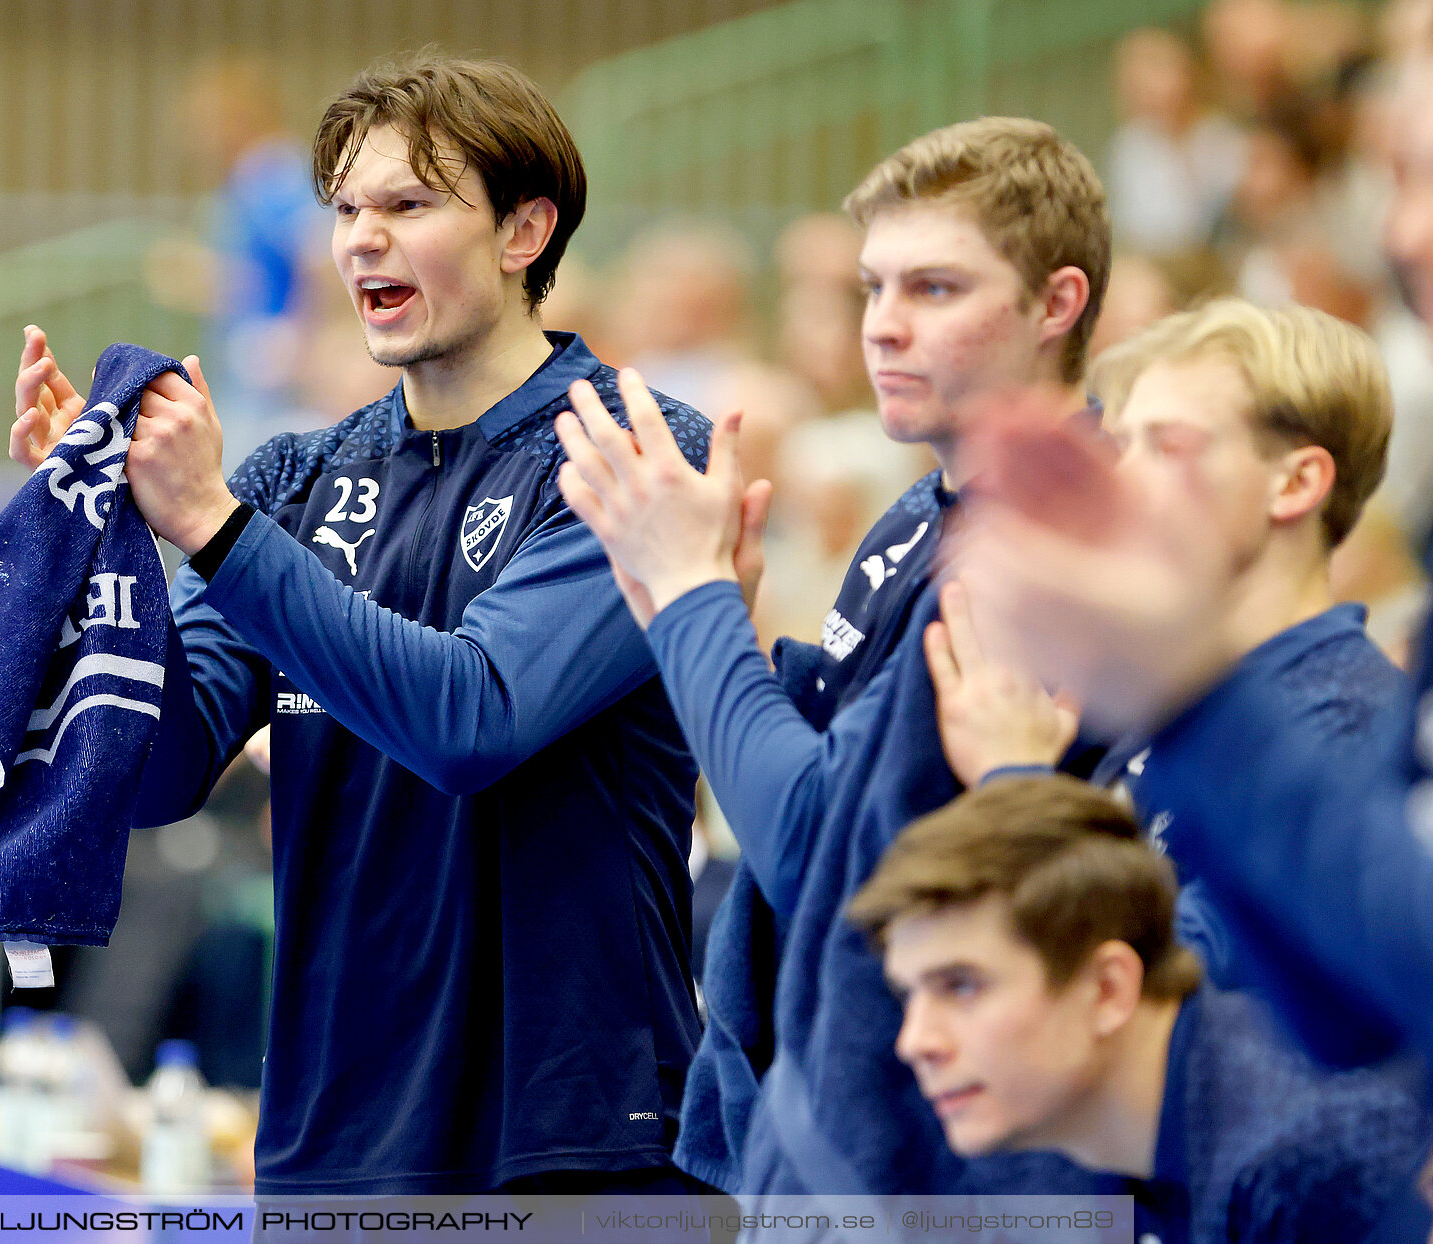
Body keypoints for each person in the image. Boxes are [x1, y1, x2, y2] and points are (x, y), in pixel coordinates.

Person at [11, 54, 712, 1195]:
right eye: (345, 209)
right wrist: (98, 551)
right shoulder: (299, 476)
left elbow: (469, 721)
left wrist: (216, 527)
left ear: (524, 231)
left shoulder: (631, 447)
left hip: (566, 1143)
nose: (360, 240)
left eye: (408, 204)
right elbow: (157, 769)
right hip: (331, 1136)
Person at [555, 117, 1111, 1192]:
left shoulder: (1045, 553)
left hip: (932, 1169)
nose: (884, 328)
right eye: (874, 288)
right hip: (824, 1120)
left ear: (1057, 303)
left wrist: (692, 597)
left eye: (936, 290)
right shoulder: (923, 513)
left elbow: (816, 845)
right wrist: (712, 619)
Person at [951, 48, 1433, 1064]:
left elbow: (1172, 1023)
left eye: (1167, 446)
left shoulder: (1340, 710)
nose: (1404, 233)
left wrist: (1014, 785)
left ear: (1293, 482)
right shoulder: (1174, 703)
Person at [846, 776, 1432, 1243]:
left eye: (962, 986)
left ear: (1108, 989)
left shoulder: (1306, 1162)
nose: (915, 1041)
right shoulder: (1102, 1131)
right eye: (909, 994)